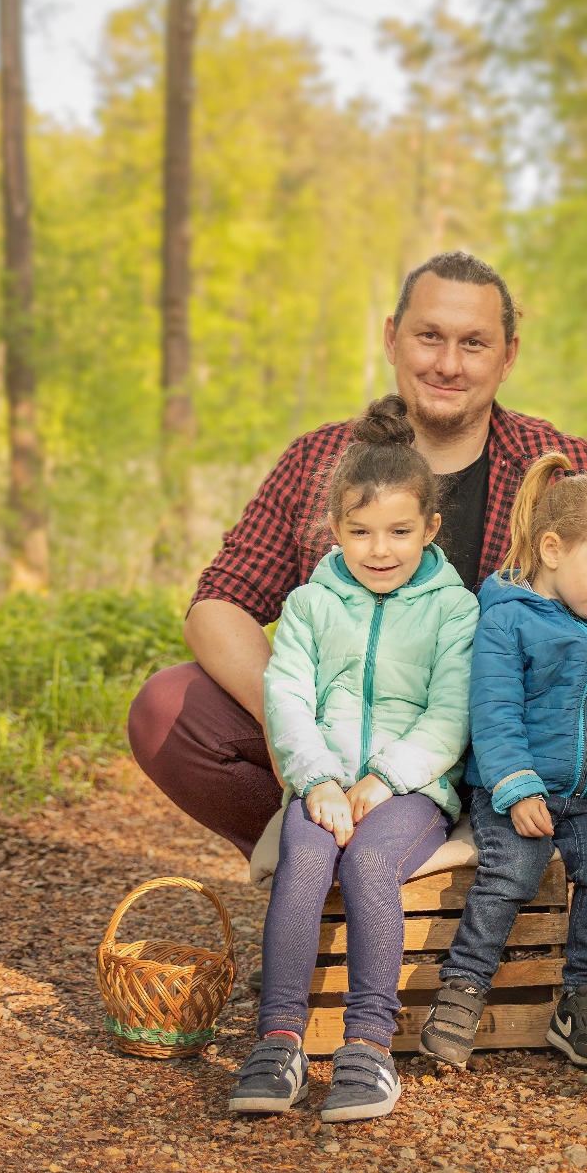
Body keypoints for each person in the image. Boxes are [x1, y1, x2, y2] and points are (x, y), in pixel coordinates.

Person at [125, 253, 587, 866]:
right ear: (391, 339)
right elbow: (219, 601)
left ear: (508, 355)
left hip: (510, 749)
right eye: (429, 336)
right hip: (350, 732)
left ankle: (450, 873)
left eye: (473, 343)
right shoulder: (321, 460)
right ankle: (327, 863)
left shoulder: (559, 467)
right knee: (167, 710)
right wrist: (292, 732)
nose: (447, 362)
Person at [225, 400, 478, 1124]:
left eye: (399, 531)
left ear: (430, 529)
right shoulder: (309, 605)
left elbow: (450, 713)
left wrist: (387, 778)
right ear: (334, 529)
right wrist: (317, 780)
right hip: (325, 780)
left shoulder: (453, 610)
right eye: (360, 531)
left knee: (369, 862)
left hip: (413, 788)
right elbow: (288, 698)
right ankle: (280, 1039)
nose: (379, 548)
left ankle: (369, 1045)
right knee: (305, 857)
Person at [419, 454, 587, 1070]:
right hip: (516, 786)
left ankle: (582, 1001)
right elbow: (493, 714)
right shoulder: (507, 617)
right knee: (514, 871)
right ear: (553, 550)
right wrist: (517, 788)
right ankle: (461, 992)